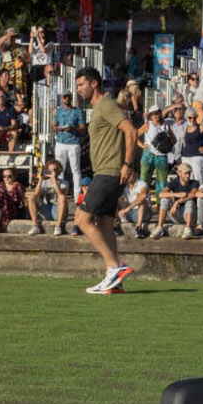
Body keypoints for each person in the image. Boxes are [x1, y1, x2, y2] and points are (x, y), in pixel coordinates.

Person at [70, 66, 138, 294]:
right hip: (107, 171)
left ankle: (115, 266)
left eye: (81, 84)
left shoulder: (106, 105)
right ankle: (115, 280)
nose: (78, 89)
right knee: (105, 223)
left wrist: (128, 163)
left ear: (94, 83)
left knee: (81, 219)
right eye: (77, 85)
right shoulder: (99, 108)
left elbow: (131, 131)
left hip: (109, 172)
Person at [153, 161, 200, 237]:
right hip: (175, 214)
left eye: (189, 173)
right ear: (179, 173)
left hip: (189, 216)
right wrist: (175, 194)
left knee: (190, 202)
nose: (188, 176)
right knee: (165, 200)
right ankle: (159, 227)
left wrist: (177, 202)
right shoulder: (174, 182)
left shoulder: (194, 183)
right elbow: (161, 194)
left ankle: (188, 229)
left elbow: (193, 194)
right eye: (186, 173)